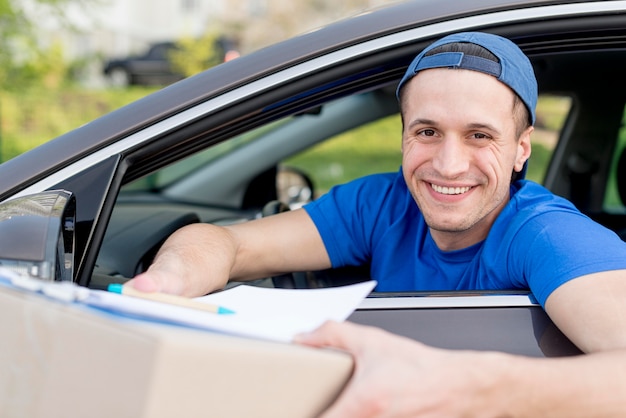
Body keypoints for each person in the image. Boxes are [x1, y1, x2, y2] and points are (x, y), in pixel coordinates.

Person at [126, 32, 626, 416]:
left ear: (521, 149)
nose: (449, 165)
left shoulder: (546, 234)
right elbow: (225, 244)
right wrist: (168, 280)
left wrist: (465, 384)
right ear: (404, 135)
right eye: (428, 131)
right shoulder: (382, 204)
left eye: (479, 135)